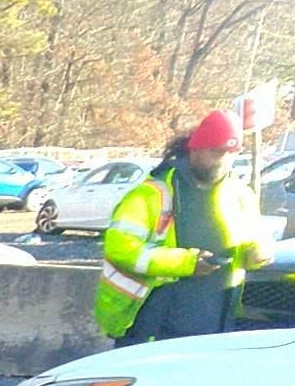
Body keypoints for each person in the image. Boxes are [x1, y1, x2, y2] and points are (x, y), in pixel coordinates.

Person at [96, 109, 272, 344]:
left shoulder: (240, 195)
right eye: (216, 151)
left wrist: (257, 253)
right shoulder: (151, 194)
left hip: (217, 320)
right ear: (196, 149)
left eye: (230, 153)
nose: (223, 160)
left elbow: (259, 238)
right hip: (154, 321)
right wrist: (187, 263)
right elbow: (121, 249)